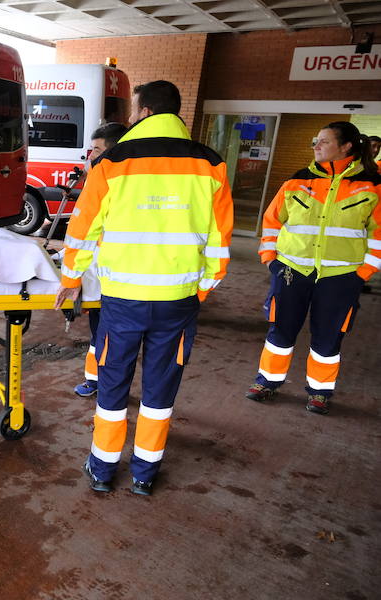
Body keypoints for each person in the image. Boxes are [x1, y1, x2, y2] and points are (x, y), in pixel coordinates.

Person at [53, 81, 233, 496]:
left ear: (147, 112)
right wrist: (199, 289)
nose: (130, 119)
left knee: (113, 383)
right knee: (160, 388)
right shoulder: (211, 164)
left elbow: (81, 230)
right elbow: (221, 241)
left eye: (133, 112)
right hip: (178, 302)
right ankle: (144, 474)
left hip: (123, 301)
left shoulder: (113, 162)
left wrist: (71, 279)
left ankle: (102, 468)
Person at [245, 122, 381, 414]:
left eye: (323, 141)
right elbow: (271, 221)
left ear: (345, 147)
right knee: (280, 330)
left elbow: (379, 234)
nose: (315, 146)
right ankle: (267, 382)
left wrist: (364, 272)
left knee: (329, 336)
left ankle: (320, 391)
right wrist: (271, 259)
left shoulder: (372, 186)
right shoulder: (296, 181)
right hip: (291, 271)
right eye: (315, 141)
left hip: (341, 277)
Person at [73, 122, 128, 399]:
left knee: (107, 336)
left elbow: (85, 233)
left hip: (113, 277)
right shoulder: (103, 177)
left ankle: (103, 384)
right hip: (103, 274)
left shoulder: (111, 182)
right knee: (100, 334)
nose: (89, 156)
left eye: (96, 150)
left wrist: (72, 277)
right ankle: (96, 379)